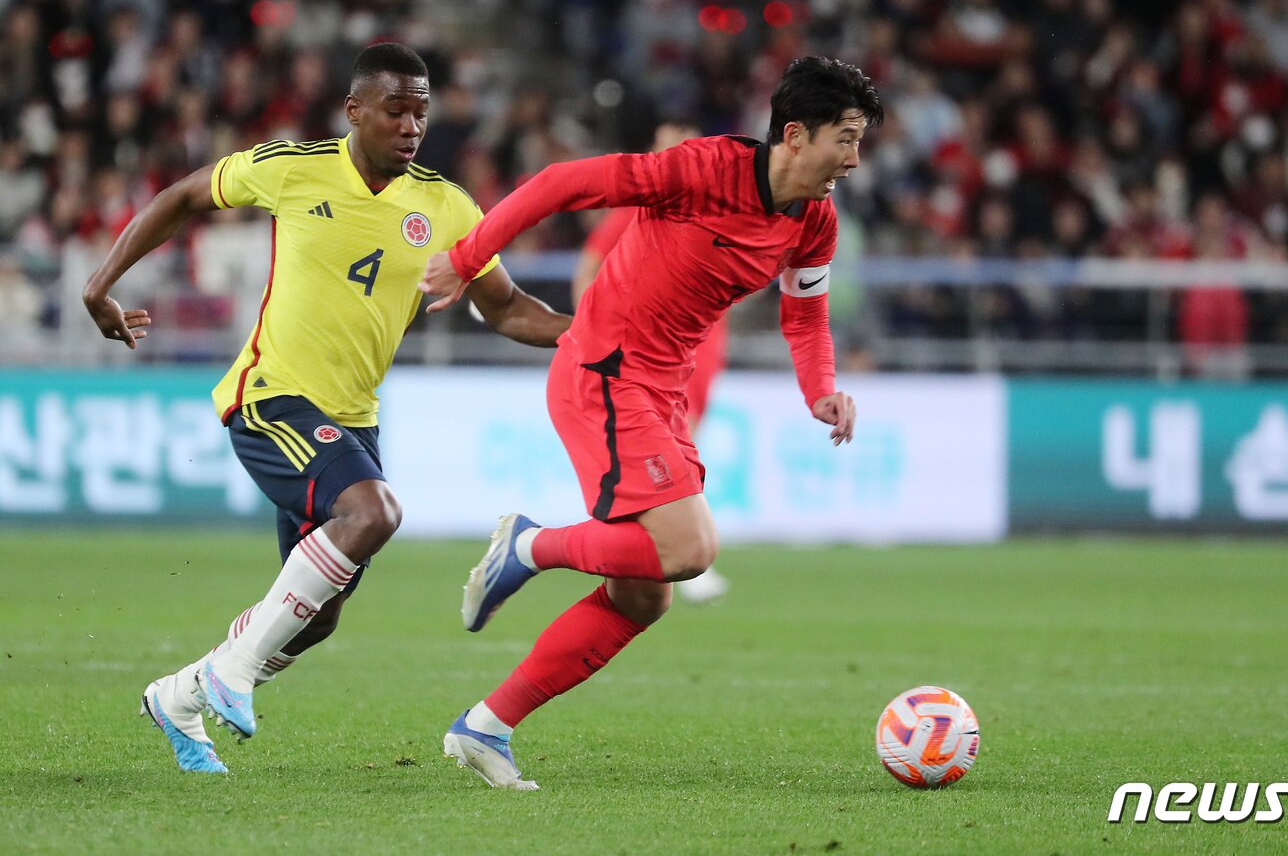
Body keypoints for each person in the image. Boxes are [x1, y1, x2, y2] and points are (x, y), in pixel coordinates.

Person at [83, 43, 570, 774]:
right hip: (270, 396)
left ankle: (178, 695)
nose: (412, 127)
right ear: (355, 110)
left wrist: (590, 332)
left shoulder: (446, 206)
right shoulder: (294, 167)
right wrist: (100, 287)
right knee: (374, 512)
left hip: (354, 420)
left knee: (315, 618)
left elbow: (506, 308)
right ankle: (232, 672)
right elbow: (183, 196)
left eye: (422, 113)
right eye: (396, 110)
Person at [420, 56, 882, 790]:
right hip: (604, 373)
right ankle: (530, 544)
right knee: (690, 547)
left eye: (860, 141)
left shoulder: (813, 221)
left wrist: (820, 389)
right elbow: (560, 184)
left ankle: (485, 725)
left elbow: (805, 315)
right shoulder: (701, 169)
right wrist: (467, 256)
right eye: (846, 139)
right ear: (796, 135)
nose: (854, 160)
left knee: (644, 593)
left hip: (662, 390)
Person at [570, 120, 730, 606]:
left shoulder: (718, 203)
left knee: (685, 448)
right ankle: (680, 552)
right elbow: (589, 263)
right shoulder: (645, 205)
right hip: (651, 349)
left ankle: (672, 550)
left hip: (699, 345)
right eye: (663, 144)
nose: (669, 153)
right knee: (671, 452)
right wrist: (587, 330)